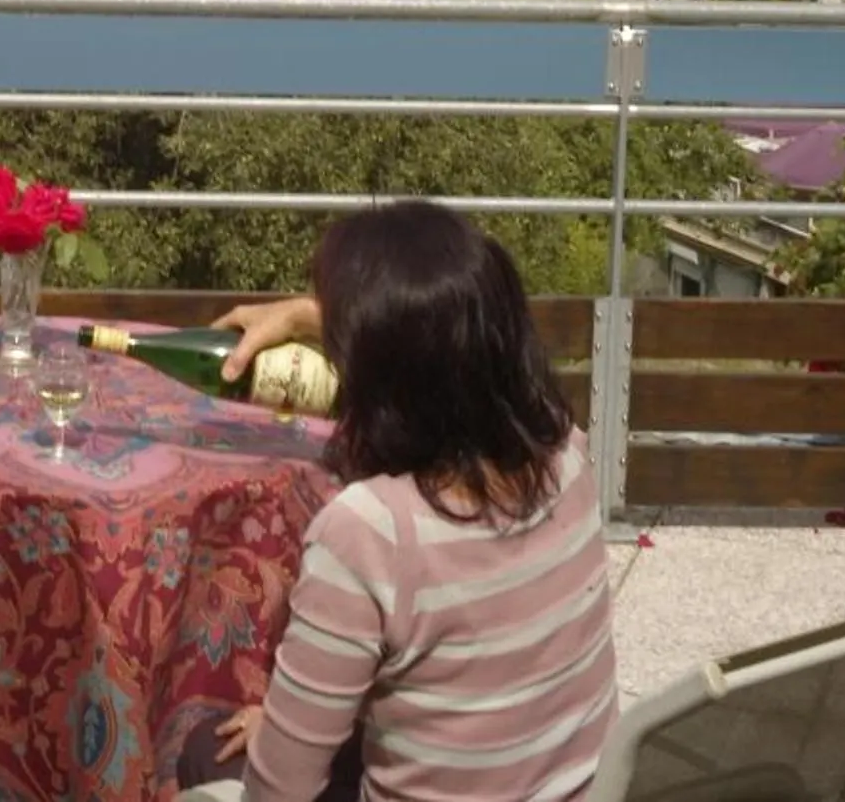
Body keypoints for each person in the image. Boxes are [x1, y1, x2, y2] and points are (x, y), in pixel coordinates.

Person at [179, 202, 616, 801]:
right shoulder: (568, 455)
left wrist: (282, 738)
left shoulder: (369, 534)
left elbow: (276, 796)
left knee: (207, 751)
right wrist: (316, 316)